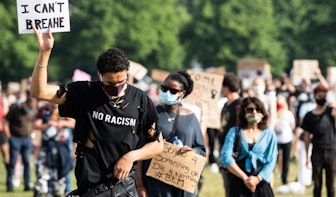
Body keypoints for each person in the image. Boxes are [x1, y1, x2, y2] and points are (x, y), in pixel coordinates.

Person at [30, 26, 164, 197]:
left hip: (124, 188)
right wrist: (44, 52)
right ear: (99, 75)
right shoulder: (84, 92)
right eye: (109, 83)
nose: (115, 88)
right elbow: (38, 92)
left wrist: (131, 157)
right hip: (90, 187)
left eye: (121, 82)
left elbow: (158, 144)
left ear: (127, 74)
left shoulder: (140, 99)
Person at [135, 70, 206, 197]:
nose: (168, 93)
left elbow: (201, 149)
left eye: (173, 91)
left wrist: (192, 151)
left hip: (182, 183)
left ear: (182, 94)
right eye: (164, 88)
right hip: (154, 183)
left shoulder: (191, 117)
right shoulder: (151, 114)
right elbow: (139, 151)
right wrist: (140, 185)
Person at [220, 97, 278, 197]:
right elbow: (226, 157)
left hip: (261, 182)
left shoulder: (269, 134)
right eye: (250, 110)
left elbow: (271, 160)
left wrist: (257, 179)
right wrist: (245, 178)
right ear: (244, 112)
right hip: (239, 181)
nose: (254, 112)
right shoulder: (234, 132)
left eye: (257, 109)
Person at [33, 102, 75, 197]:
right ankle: (42, 191)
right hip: (47, 145)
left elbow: (73, 123)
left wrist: (61, 123)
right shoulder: (43, 108)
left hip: (62, 144)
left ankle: (62, 191)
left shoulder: (65, 106)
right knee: (42, 171)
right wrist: (47, 125)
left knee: (62, 170)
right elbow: (36, 125)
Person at [302, 84, 336, 197]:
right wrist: (306, 156)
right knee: (317, 184)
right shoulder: (309, 116)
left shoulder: (331, 112)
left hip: (331, 150)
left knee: (330, 185)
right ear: (315, 96)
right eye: (320, 96)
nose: (322, 98)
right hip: (316, 151)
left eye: (324, 96)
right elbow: (307, 137)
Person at [4, 96, 37, 192]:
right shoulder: (15, 109)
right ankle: (9, 185)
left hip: (27, 139)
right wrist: (9, 136)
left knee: (27, 162)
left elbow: (33, 122)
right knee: (13, 162)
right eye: (30, 107)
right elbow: (6, 122)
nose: (31, 109)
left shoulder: (33, 111)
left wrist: (33, 134)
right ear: (26, 104)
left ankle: (27, 185)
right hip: (15, 138)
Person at [218, 72, 242, 196]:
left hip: (233, 150)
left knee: (233, 185)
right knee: (227, 184)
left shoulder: (239, 105)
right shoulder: (226, 105)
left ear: (227, 87)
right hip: (224, 147)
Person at [274, 94, 295, 185]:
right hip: (276, 140)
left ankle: (284, 178)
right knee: (274, 159)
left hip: (286, 139)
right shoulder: (273, 113)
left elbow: (292, 125)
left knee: (286, 160)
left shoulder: (288, 113)